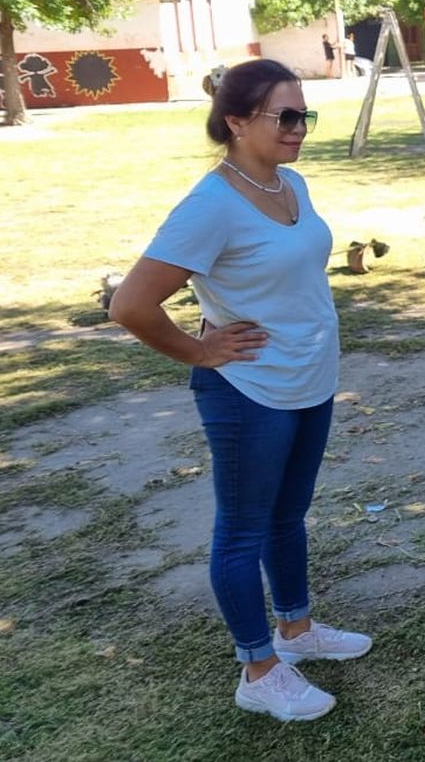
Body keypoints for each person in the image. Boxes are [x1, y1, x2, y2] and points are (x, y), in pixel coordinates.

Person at [108, 59, 371, 722]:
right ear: (236, 121)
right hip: (247, 391)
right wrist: (200, 348)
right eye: (284, 116)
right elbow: (131, 304)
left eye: (303, 115)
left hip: (308, 381)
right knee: (242, 531)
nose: (298, 128)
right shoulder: (211, 205)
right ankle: (257, 666)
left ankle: (296, 628)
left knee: (288, 515)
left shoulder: (291, 184)